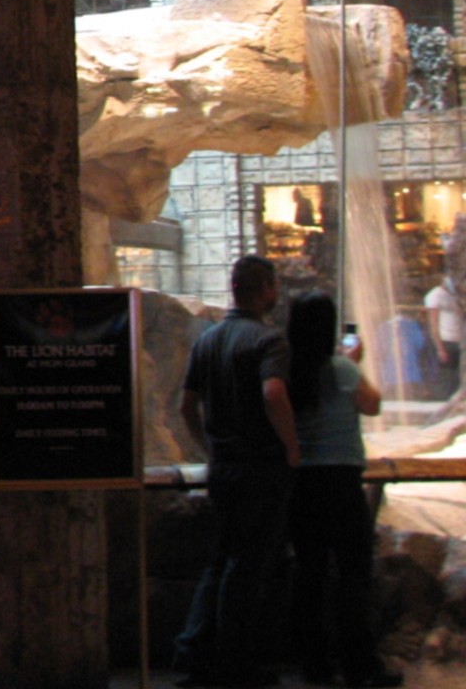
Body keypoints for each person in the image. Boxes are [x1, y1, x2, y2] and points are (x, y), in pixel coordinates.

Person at [173, 254, 300, 688]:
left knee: (220, 560)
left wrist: (207, 448)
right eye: (274, 285)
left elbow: (185, 406)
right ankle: (235, 661)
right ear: (266, 289)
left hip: (223, 467)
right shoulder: (269, 341)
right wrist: (292, 446)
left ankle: (194, 652)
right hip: (260, 468)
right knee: (248, 566)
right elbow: (273, 392)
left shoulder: (207, 341)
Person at [286, 293, 402, 688]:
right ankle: (358, 663)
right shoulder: (340, 368)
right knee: (354, 574)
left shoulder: (285, 369)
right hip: (341, 481)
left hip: (302, 483)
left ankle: (314, 664)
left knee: (310, 574)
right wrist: (354, 364)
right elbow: (372, 405)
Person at [423, 274, 461, 399]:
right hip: (445, 340)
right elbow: (434, 323)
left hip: (458, 339)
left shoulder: (454, 296)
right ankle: (445, 397)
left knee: (457, 374)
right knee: (447, 375)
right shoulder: (435, 296)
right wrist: (440, 347)